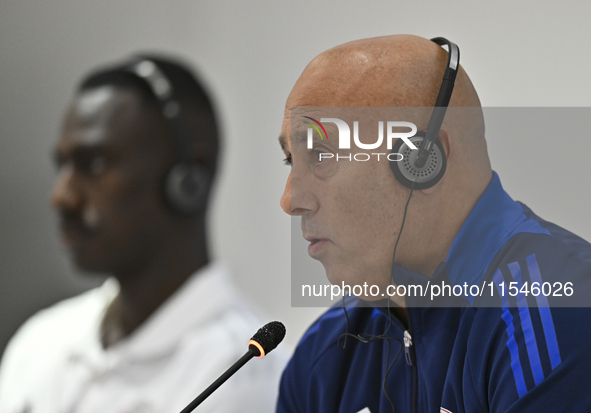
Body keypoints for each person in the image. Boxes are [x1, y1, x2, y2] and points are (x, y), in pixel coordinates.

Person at [275, 34, 591, 412]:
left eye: (322, 155)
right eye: (290, 161)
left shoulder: (559, 313)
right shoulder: (323, 358)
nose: (290, 200)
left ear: (422, 161)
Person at [0, 55, 288, 413]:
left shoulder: (245, 374)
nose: (61, 196)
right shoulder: (39, 343)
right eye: (63, 166)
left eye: (95, 163)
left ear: (188, 181)